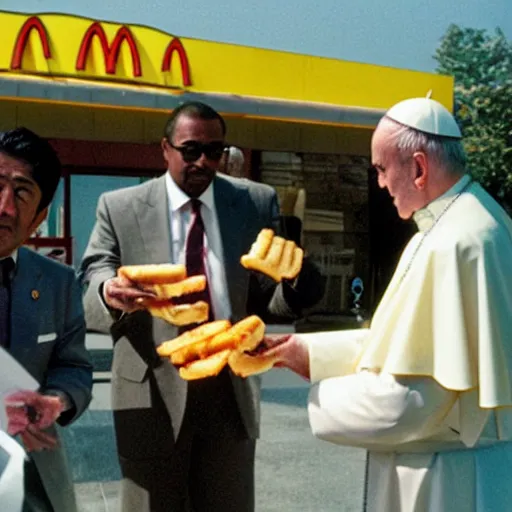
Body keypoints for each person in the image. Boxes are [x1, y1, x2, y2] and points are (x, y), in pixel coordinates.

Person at [263, 97, 512, 511]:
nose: (378, 183)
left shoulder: (453, 243)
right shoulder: (472, 222)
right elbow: (401, 344)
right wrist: (306, 353)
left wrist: (319, 400)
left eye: (380, 168)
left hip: (447, 482)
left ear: (418, 168)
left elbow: (412, 404)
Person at [79, 101, 324, 512]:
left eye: (214, 152)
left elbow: (267, 299)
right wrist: (109, 291)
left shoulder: (254, 202)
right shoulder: (119, 207)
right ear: (165, 149)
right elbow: (93, 275)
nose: (203, 162)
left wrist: (298, 283)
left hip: (229, 389)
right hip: (151, 389)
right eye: (191, 150)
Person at [0, 127, 93, 512]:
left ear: (39, 217)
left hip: (32, 472)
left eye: (22, 193)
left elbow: (72, 365)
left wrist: (56, 400)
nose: (4, 206)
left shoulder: (59, 281)